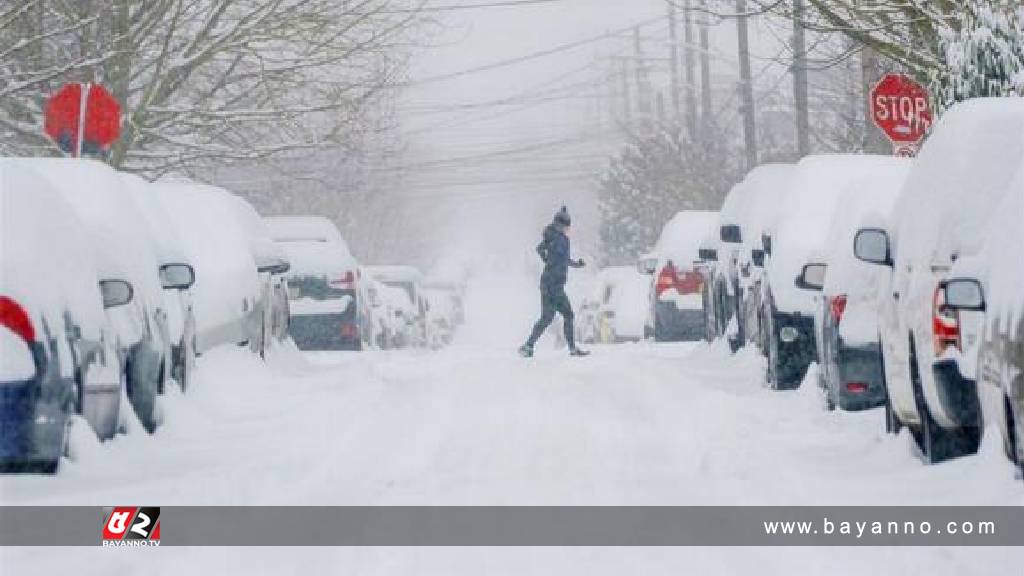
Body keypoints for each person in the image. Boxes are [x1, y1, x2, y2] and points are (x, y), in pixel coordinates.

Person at [519, 206, 590, 358]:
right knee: (568, 315)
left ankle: (528, 345)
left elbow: (540, 249)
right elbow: (561, 258)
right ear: (561, 225)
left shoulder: (550, 236)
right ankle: (571, 348)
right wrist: (570, 264)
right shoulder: (561, 239)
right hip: (555, 285)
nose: (566, 229)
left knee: (547, 317)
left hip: (547, 283)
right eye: (565, 226)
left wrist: (549, 261)